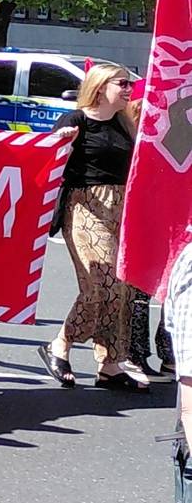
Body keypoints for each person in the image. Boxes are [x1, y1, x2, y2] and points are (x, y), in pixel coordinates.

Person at [44, 63, 150, 391]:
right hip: (84, 206)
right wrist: (59, 142)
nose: (129, 89)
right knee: (102, 283)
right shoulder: (76, 120)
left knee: (123, 286)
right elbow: (47, 158)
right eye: (123, 84)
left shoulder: (125, 123)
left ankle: (110, 364)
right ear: (100, 86)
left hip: (120, 209)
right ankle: (60, 343)